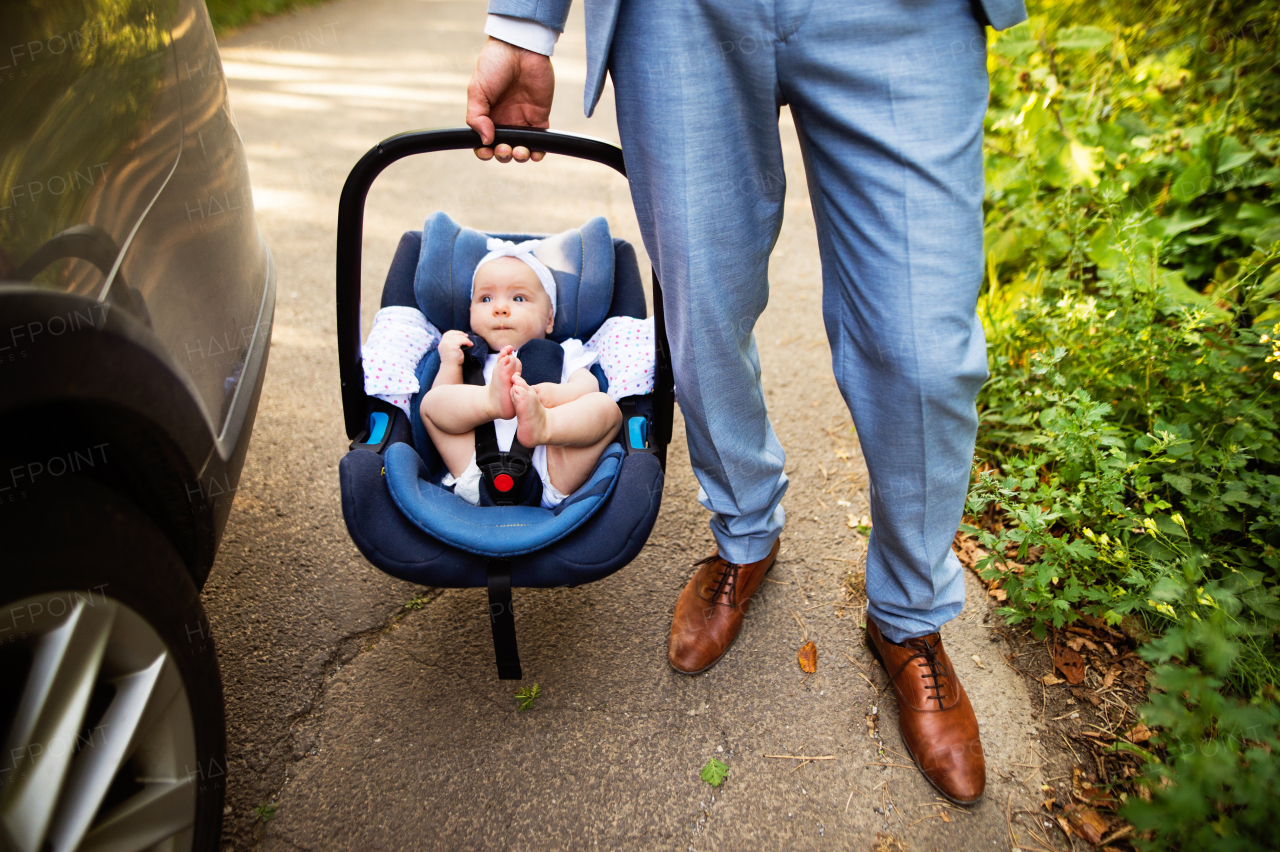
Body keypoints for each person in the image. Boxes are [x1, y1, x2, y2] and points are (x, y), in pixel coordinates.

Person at [464, 0, 1028, 805]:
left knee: (925, 355)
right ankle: (745, 531)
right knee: (703, 314)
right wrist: (524, 22)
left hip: (905, 18)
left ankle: (908, 614)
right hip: (682, 19)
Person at [420, 241, 622, 510]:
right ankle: (490, 401)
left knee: (606, 409)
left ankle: (545, 424)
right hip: (473, 469)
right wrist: (449, 363)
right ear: (470, 313)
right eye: (485, 299)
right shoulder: (467, 354)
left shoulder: (565, 351)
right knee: (433, 404)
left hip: (552, 467)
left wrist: (560, 394)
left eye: (518, 298)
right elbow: (444, 406)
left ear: (549, 318)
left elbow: (588, 385)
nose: (500, 309)